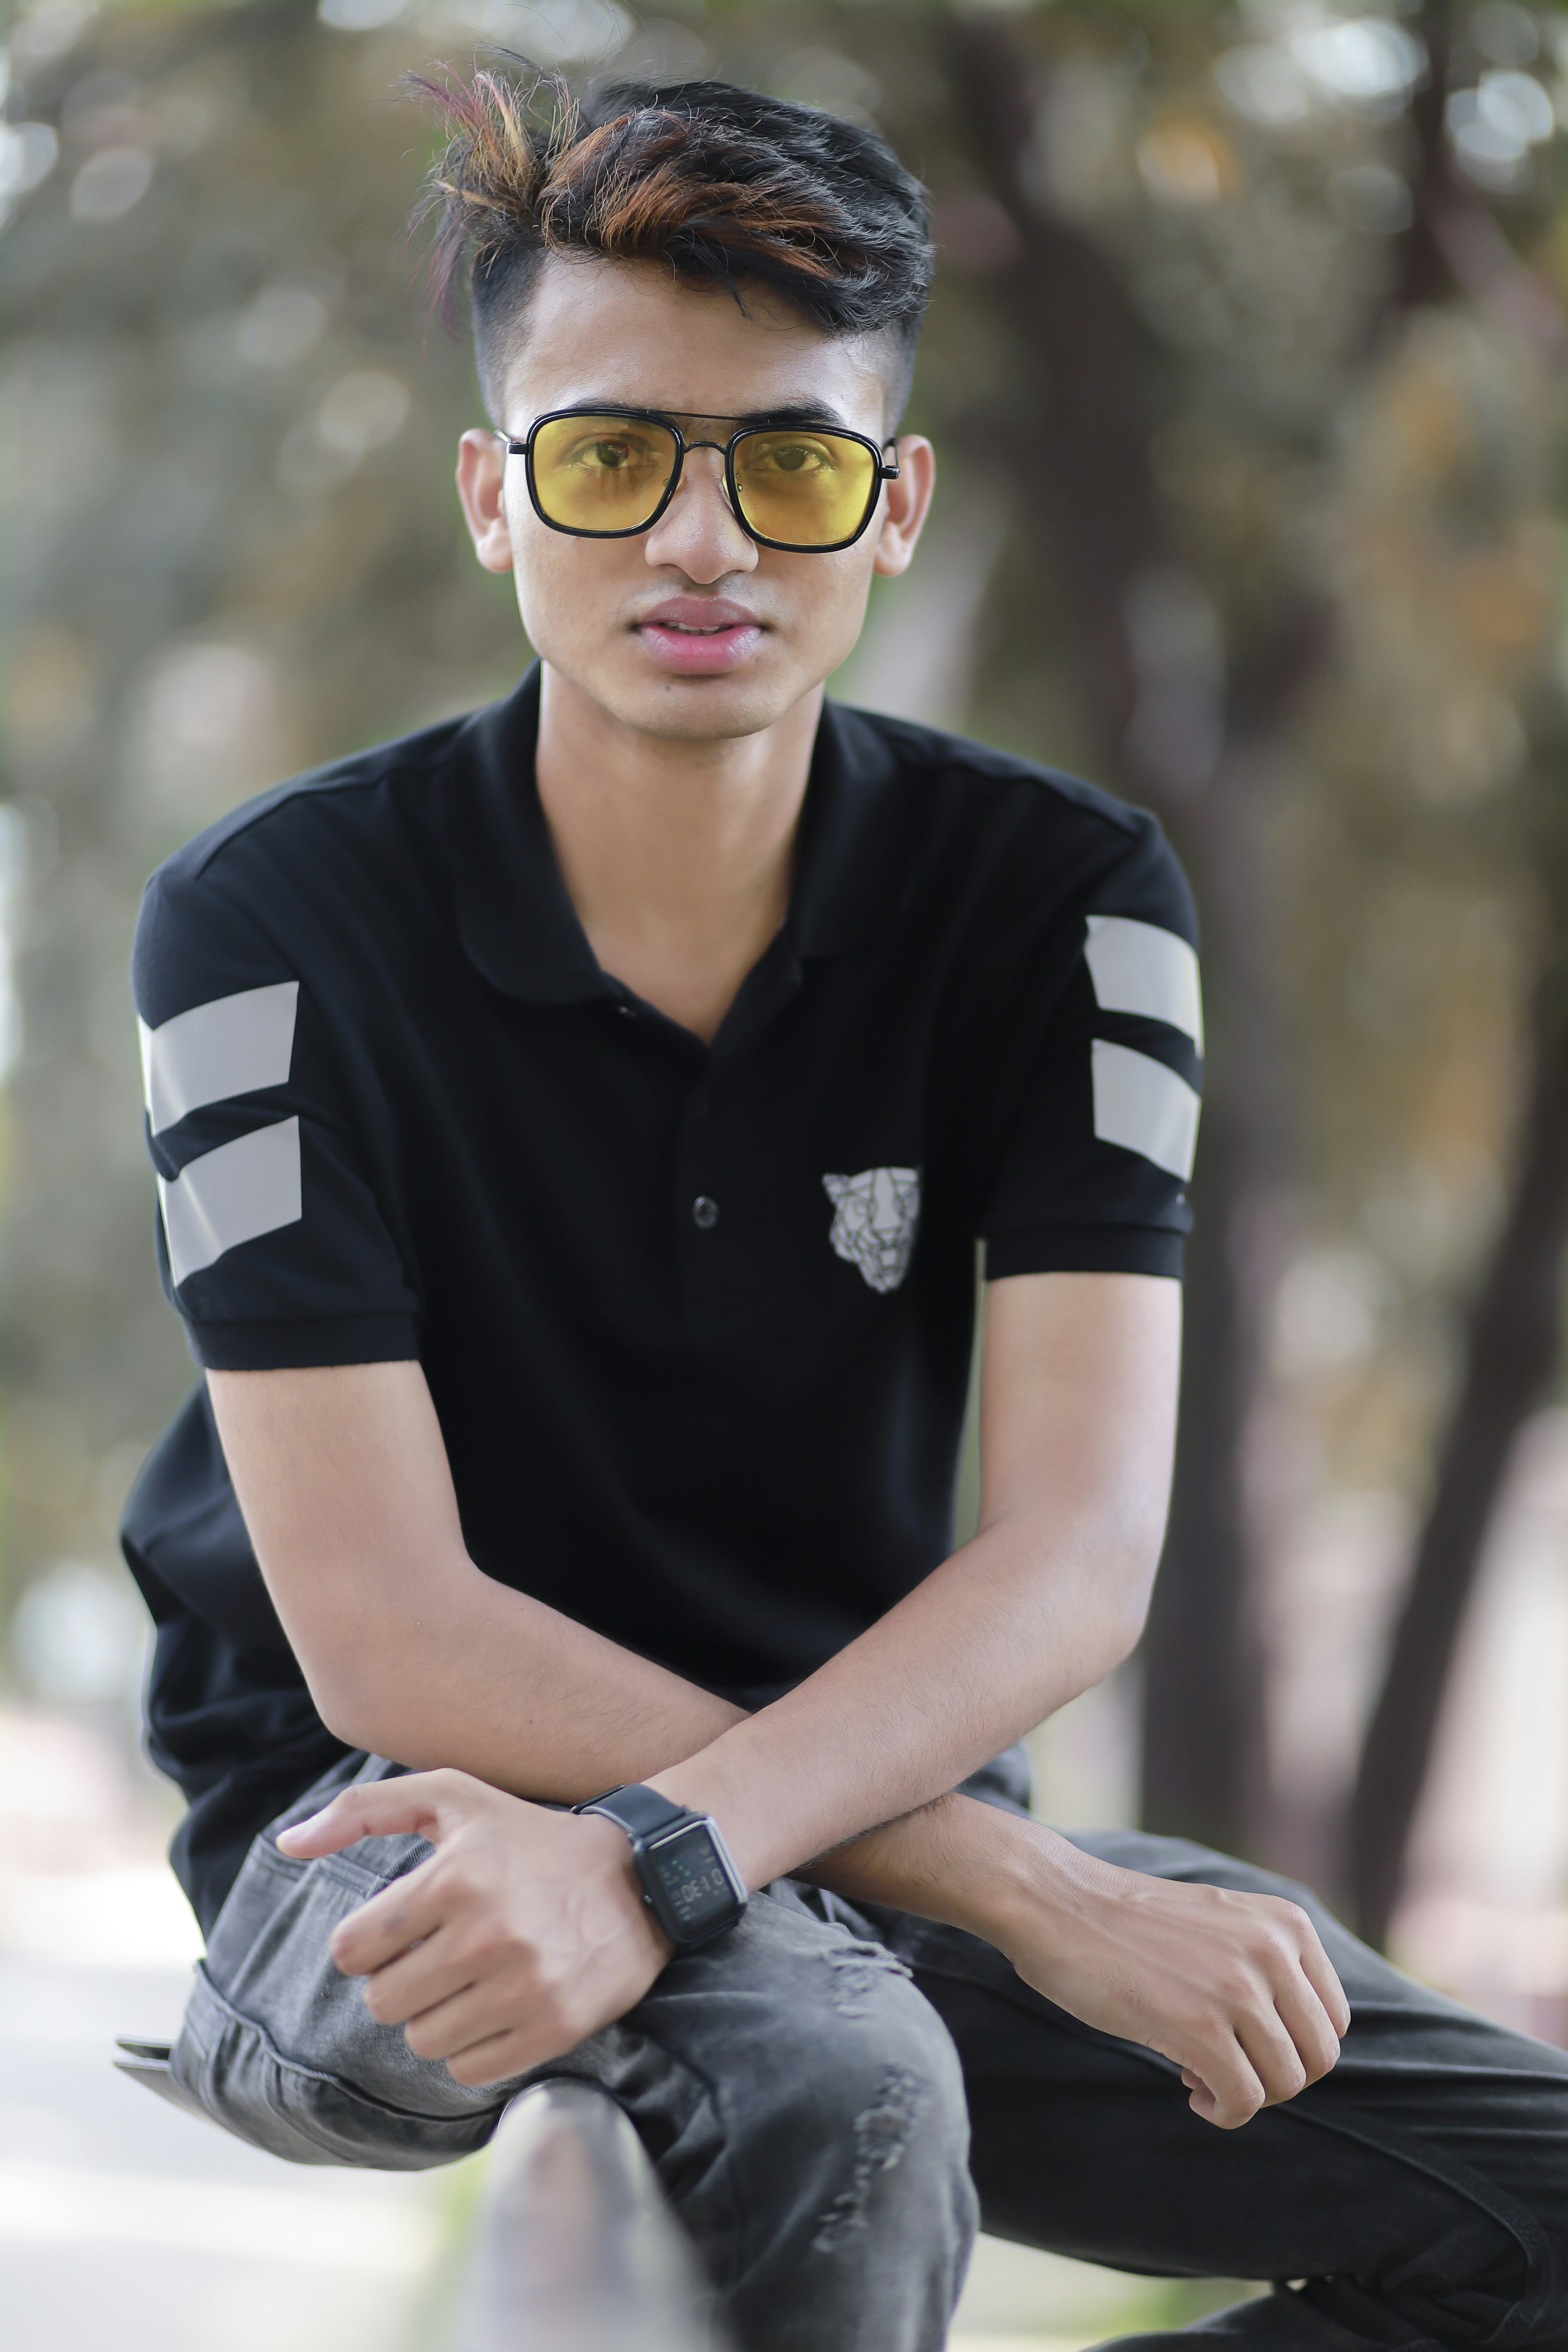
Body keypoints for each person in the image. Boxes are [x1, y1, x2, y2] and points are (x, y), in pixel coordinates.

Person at [121, 73, 1567, 2352]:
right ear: (497, 500)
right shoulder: (267, 922)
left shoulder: (1071, 903)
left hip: (857, 1814)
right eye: (613, 460)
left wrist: (711, 1844)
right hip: (413, 1835)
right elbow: (388, 1629)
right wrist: (1011, 1885)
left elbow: (1081, 1551)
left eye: (788, 469)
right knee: (840, 2077)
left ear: (890, 510)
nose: (704, 548)